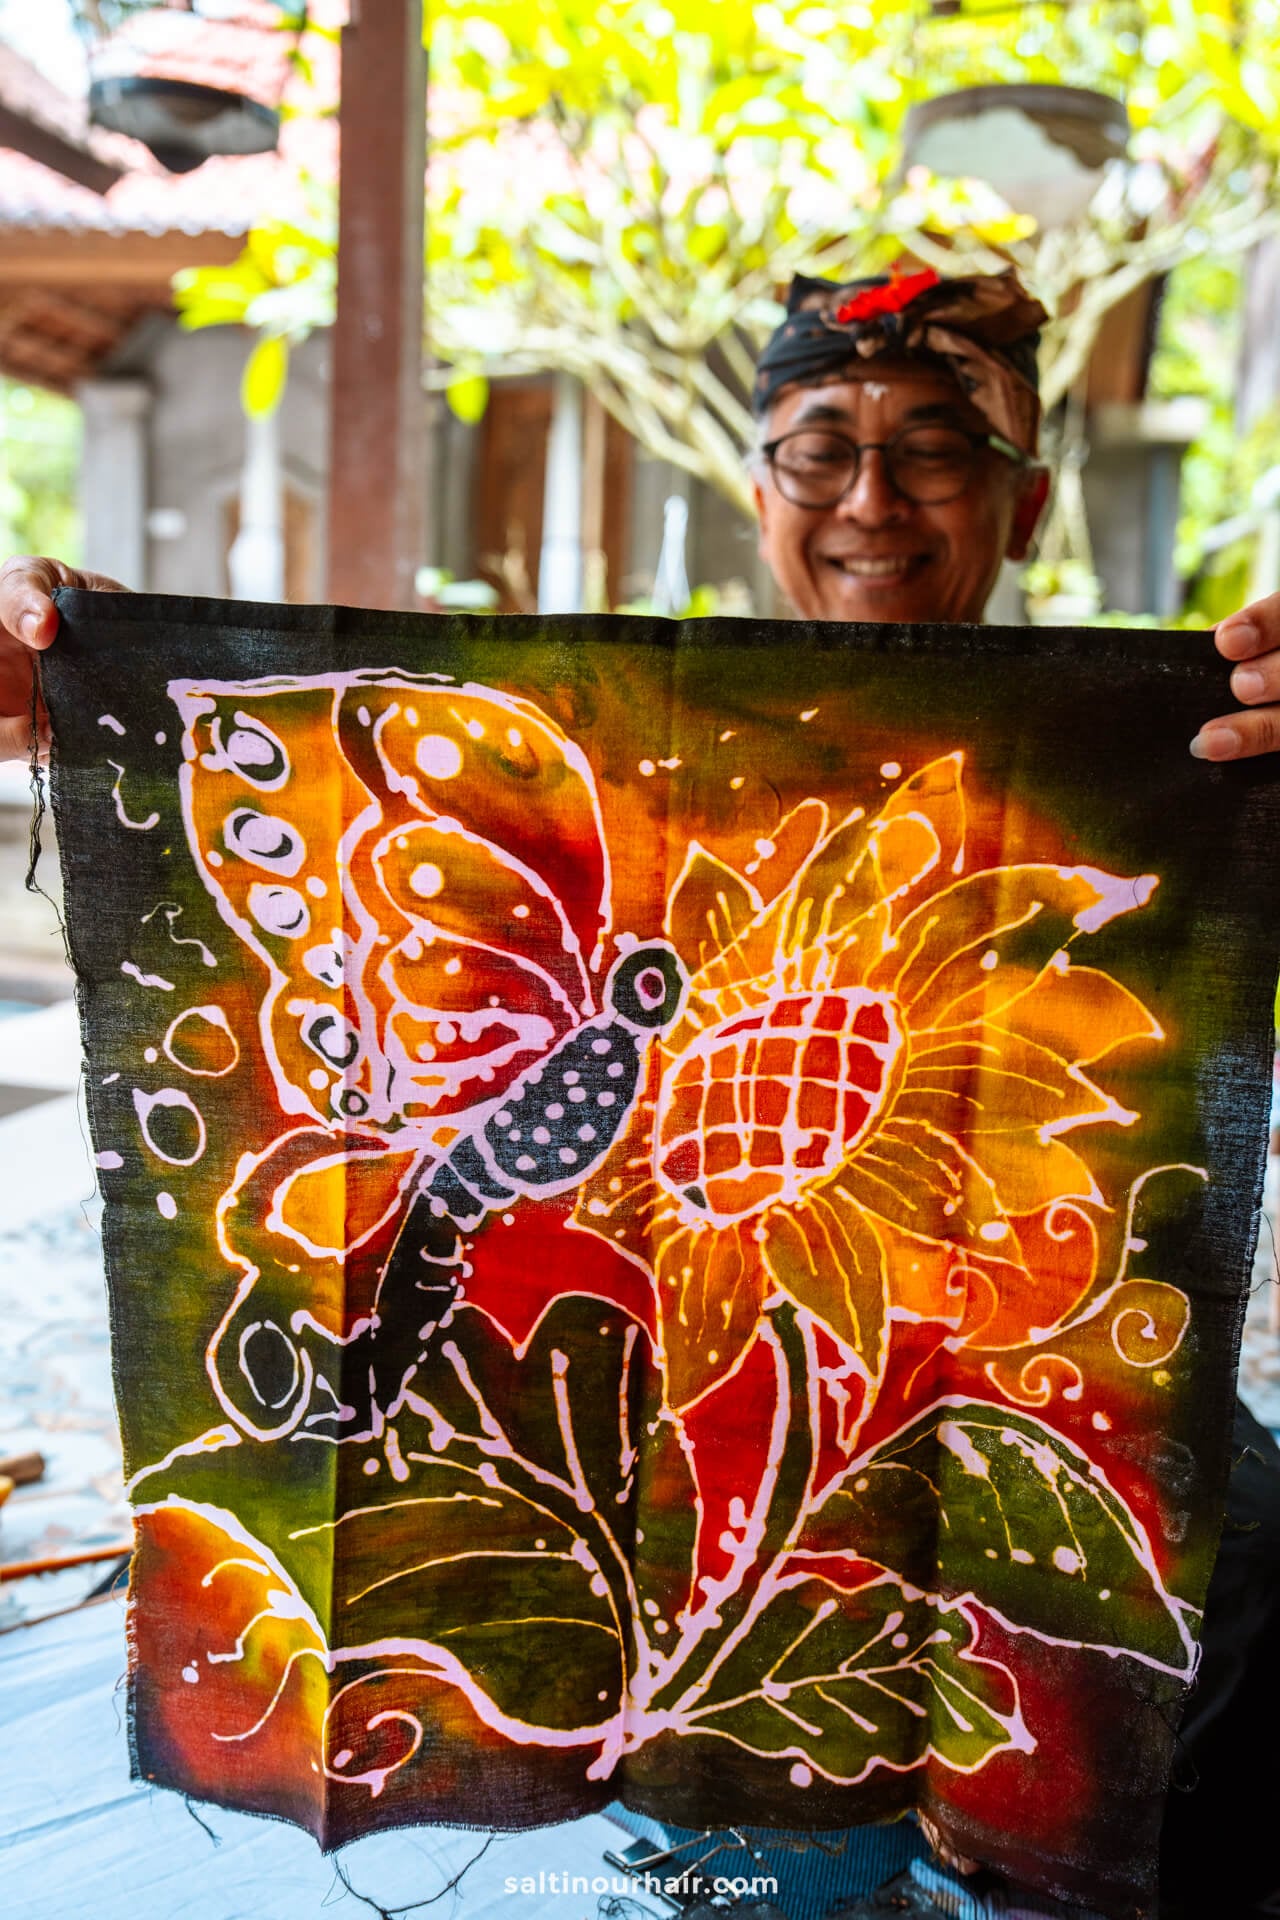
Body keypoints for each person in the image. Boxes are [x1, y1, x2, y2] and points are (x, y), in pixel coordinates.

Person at [2, 262, 1278, 1920]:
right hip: (646, 1397)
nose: (872, 499)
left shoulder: (1164, 771)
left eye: (938, 448)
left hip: (997, 1405)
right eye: (822, 450)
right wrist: (92, 679)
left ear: (1025, 502)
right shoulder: (592, 726)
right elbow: (285, 767)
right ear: (760, 493)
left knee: (1219, 1572)